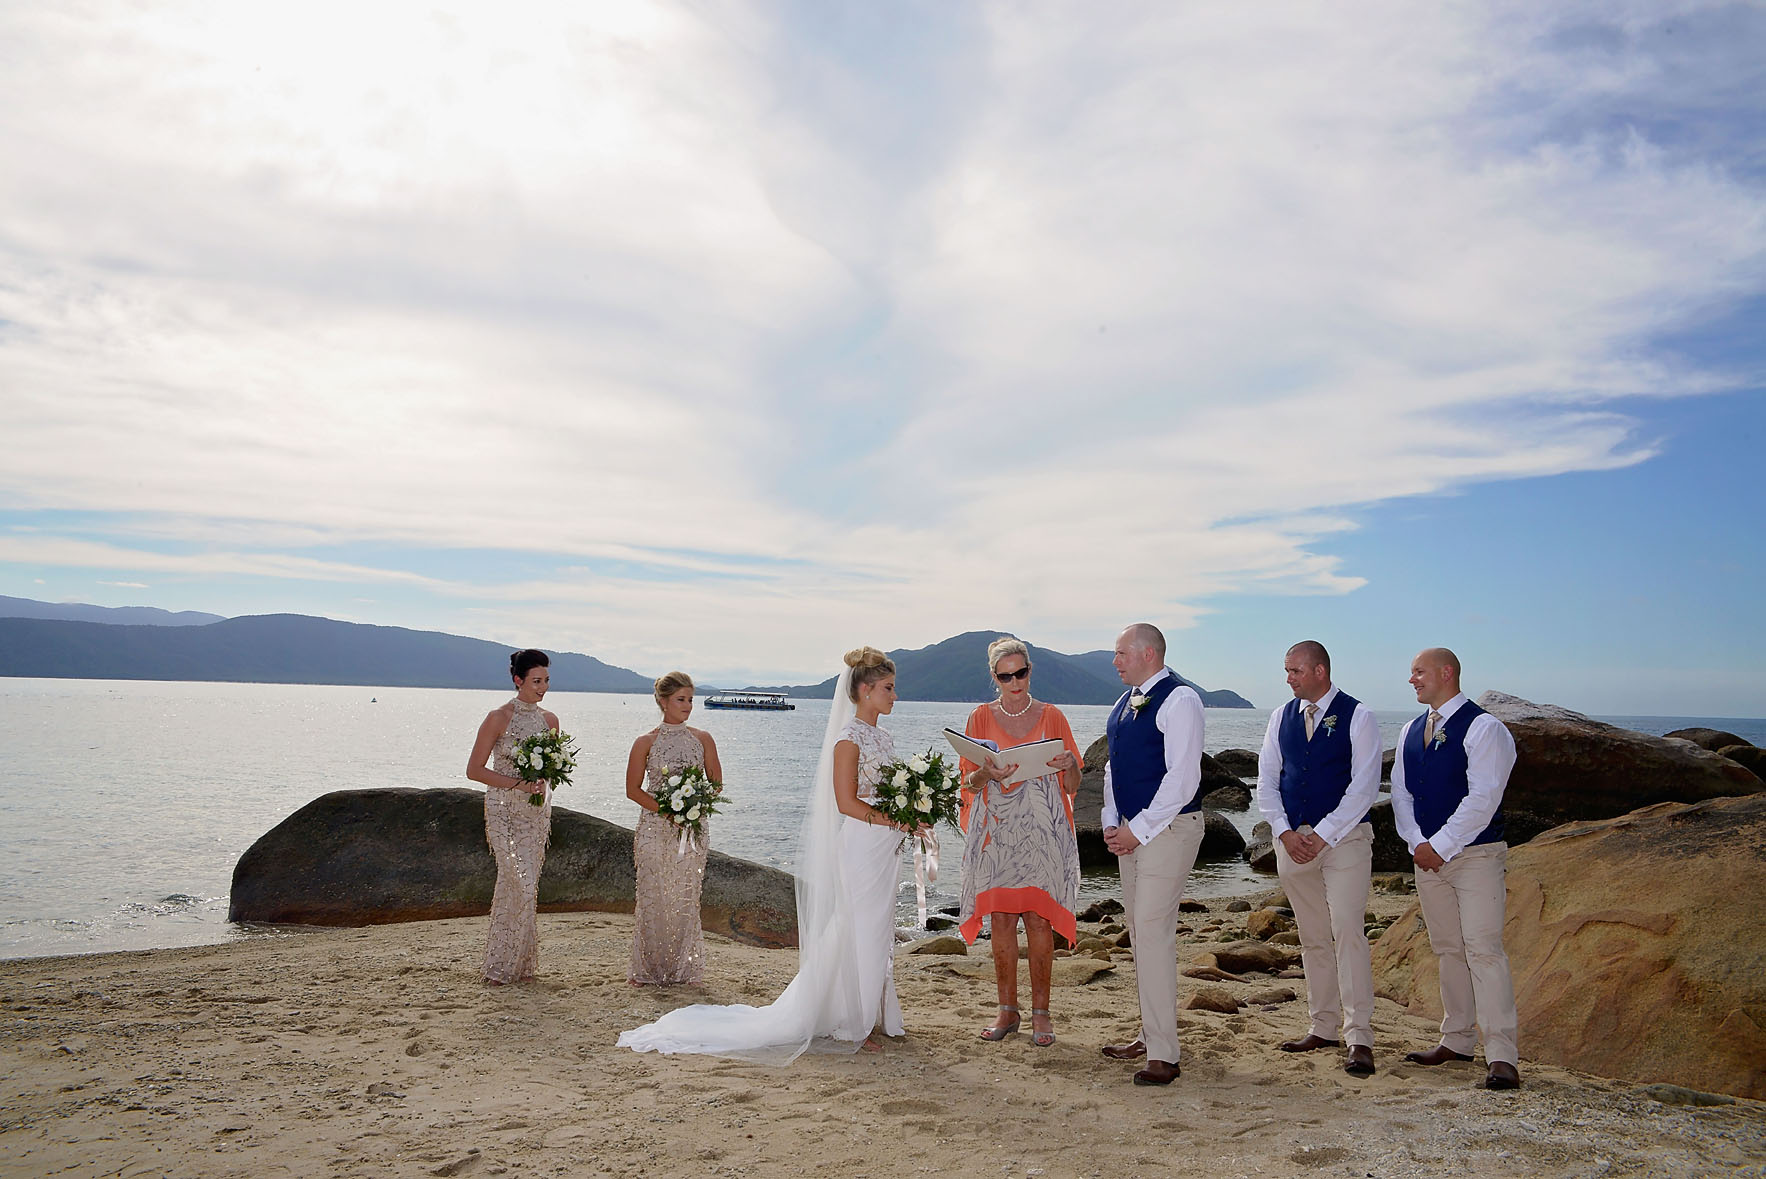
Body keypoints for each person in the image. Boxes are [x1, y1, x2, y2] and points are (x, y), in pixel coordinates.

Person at [618, 647, 922, 1061]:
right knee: (857, 929)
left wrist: (910, 813)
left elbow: (883, 794)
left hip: (884, 846)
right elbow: (846, 803)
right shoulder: (848, 739)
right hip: (862, 844)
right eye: (889, 688)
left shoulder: (883, 738)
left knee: (876, 930)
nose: (895, 695)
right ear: (866, 690)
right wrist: (898, 820)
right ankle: (852, 1020)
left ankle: (871, 1013)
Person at [1390, 647, 1522, 1091]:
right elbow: (1401, 793)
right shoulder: (1410, 730)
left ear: (1446, 673)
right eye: (1412, 673)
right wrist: (1417, 843)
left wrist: (1441, 845)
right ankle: (1458, 1040)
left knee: (1484, 950)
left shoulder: (1485, 728)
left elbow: (1483, 797)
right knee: (1447, 948)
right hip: (1428, 858)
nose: (1412, 679)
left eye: (1419, 672)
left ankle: (1501, 1055)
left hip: (1477, 857)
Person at [1255, 640, 1382, 1075]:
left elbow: (1364, 786)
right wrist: (1284, 831)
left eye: (1294, 670)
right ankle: (1323, 1026)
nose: (1288, 678)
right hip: (1293, 842)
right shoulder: (1280, 717)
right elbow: (1267, 781)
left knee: (1347, 930)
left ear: (1319, 671)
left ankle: (1359, 1036)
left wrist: (1325, 834)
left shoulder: (1359, 716)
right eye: (1286, 670)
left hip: (1346, 840)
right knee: (1312, 936)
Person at [957, 637, 1082, 1047]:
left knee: (1039, 920)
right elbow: (968, 782)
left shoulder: (1052, 716)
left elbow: (1073, 784)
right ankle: (1007, 1011)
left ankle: (1041, 1013)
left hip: (1042, 831)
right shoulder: (979, 717)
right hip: (996, 831)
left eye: (1020, 673)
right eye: (1005, 676)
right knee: (1001, 921)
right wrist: (986, 773)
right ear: (994, 677)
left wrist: (1069, 765)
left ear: (1030, 671)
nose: (1014, 682)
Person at [1099, 623, 1205, 1086]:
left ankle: (1164, 1054)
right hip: (1133, 831)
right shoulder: (1125, 702)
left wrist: (1137, 830)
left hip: (1169, 829)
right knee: (1141, 934)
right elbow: (1112, 768)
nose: (1115, 661)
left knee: (1153, 931)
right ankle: (1149, 1033)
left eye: (1121, 653)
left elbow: (1182, 779)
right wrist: (1111, 820)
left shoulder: (1181, 700)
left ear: (1148, 654)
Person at [466, 648, 560, 986]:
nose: (543, 687)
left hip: (535, 814)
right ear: (518, 680)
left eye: (546, 680)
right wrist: (518, 784)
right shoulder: (498, 718)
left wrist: (543, 785)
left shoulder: (551, 721)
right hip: (503, 810)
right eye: (536, 681)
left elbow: (551, 770)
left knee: (527, 885)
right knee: (515, 881)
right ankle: (498, 967)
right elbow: (474, 770)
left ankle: (520, 966)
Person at [626, 671, 724, 986]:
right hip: (654, 830)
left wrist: (694, 804)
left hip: (692, 830)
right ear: (663, 701)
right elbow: (633, 790)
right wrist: (668, 811)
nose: (688, 706)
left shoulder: (703, 738)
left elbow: (716, 784)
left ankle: (685, 969)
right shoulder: (645, 742)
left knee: (685, 896)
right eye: (681, 699)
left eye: (691, 700)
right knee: (653, 896)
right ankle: (647, 970)